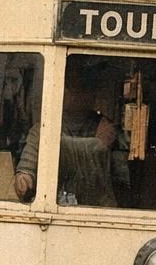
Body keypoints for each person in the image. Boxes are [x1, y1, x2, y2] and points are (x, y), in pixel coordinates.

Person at [14, 65, 128, 207]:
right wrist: (24, 180)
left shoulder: (106, 128)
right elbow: (26, 170)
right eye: (69, 87)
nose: (76, 94)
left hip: (96, 211)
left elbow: (122, 182)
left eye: (84, 88)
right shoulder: (43, 129)